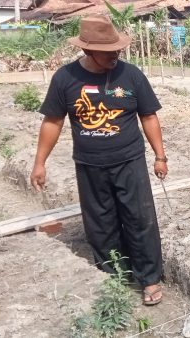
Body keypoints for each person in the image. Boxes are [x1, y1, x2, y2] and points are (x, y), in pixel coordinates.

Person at [30, 14, 167, 306]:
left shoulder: (131, 76)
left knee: (139, 219)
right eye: (108, 52)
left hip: (129, 160)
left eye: (117, 49)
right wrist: (40, 162)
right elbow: (52, 121)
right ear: (87, 50)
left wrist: (160, 156)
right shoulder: (65, 79)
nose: (115, 55)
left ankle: (150, 278)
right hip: (89, 164)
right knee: (100, 223)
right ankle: (114, 277)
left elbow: (148, 116)